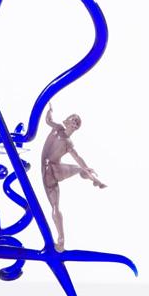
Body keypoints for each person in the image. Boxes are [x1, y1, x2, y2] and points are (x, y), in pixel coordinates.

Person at [41, 104, 105, 251]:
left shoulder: (67, 141)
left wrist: (86, 167)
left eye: (77, 121)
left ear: (76, 127)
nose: (75, 122)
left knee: (79, 169)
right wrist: (49, 110)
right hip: (50, 170)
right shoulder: (58, 129)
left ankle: (92, 178)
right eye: (73, 119)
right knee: (55, 205)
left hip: (52, 169)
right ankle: (61, 240)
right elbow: (48, 120)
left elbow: (77, 157)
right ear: (67, 121)